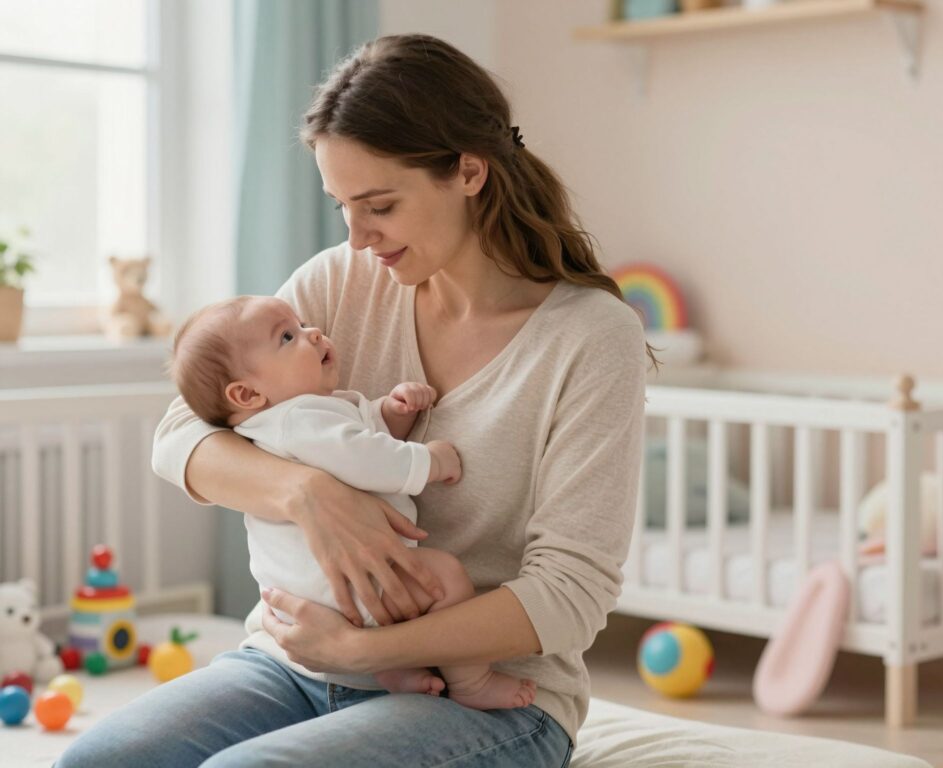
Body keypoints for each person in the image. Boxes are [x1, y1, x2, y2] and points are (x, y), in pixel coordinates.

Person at [58, 33, 651, 768]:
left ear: (470, 171)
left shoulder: (591, 338)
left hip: (483, 700)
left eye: (379, 205)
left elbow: (572, 595)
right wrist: (307, 492)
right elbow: (180, 435)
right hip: (295, 666)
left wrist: (367, 647)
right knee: (97, 762)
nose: (357, 236)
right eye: (341, 205)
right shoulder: (340, 281)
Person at [168, 293, 536, 709]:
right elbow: (367, 459)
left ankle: (388, 667)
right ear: (247, 395)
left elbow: (356, 434)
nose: (313, 332)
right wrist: (429, 461)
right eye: (288, 337)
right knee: (445, 577)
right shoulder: (298, 421)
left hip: (308, 594)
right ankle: (472, 681)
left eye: (302, 323)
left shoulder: (292, 419)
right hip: (341, 587)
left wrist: (391, 413)